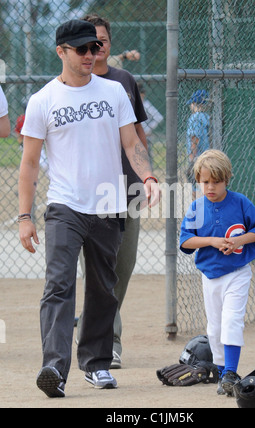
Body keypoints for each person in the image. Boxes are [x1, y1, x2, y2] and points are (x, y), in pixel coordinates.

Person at [18, 19, 159, 398]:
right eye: (82, 49)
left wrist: (147, 177)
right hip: (64, 205)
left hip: (109, 204)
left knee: (103, 287)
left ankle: (96, 364)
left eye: (95, 47)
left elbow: (131, 143)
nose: (90, 54)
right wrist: (25, 217)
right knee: (58, 284)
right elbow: (29, 164)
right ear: (61, 51)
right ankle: (54, 366)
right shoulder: (42, 101)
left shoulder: (113, 92)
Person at [75, 14, 148, 370]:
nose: (96, 47)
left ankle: (95, 325)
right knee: (97, 270)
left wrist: (146, 175)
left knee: (124, 265)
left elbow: (137, 134)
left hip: (127, 187)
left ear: (109, 43)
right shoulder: (74, 83)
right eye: (89, 41)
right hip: (90, 192)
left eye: (101, 39)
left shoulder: (124, 81)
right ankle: (108, 340)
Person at [179, 149, 255, 397]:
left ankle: (231, 371)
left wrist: (240, 241)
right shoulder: (196, 208)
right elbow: (186, 241)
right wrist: (211, 241)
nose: (210, 187)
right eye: (205, 181)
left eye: (216, 181)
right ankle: (223, 376)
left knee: (231, 320)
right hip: (210, 276)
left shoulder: (240, 202)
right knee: (214, 329)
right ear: (198, 180)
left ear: (227, 179)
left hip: (238, 272)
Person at [186, 89, 210, 191]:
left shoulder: (195, 117)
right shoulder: (207, 117)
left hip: (198, 158)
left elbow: (194, 138)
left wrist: (192, 159)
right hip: (208, 156)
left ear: (194, 103)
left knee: (196, 189)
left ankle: (197, 207)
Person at [138, 83, 164, 166]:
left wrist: (148, 129)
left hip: (145, 135)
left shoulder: (146, 105)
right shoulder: (132, 105)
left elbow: (158, 117)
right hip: (135, 135)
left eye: (141, 96)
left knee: (147, 158)